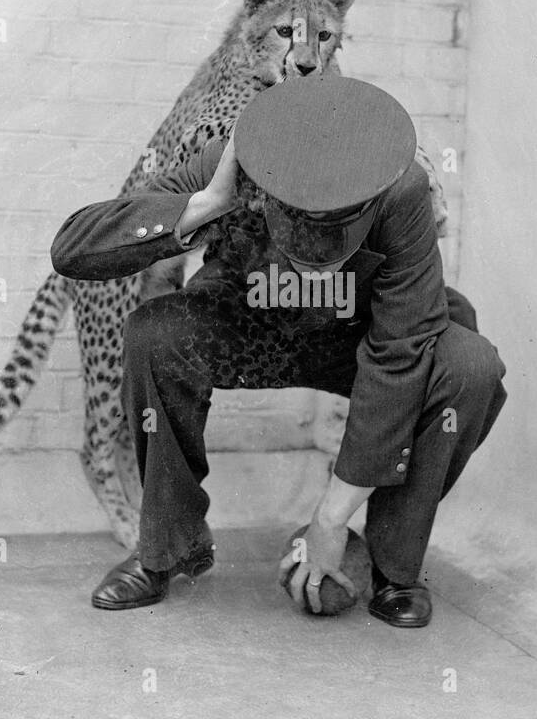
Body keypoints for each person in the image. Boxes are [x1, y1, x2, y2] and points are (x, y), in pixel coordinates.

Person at [50, 75, 506, 628]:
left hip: (353, 337)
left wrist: (331, 519)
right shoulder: (234, 164)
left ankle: (392, 564)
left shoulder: (401, 186)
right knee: (155, 333)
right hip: (247, 326)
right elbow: (73, 248)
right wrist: (206, 203)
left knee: (469, 365)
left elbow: (400, 350)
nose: (318, 256)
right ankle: (168, 549)